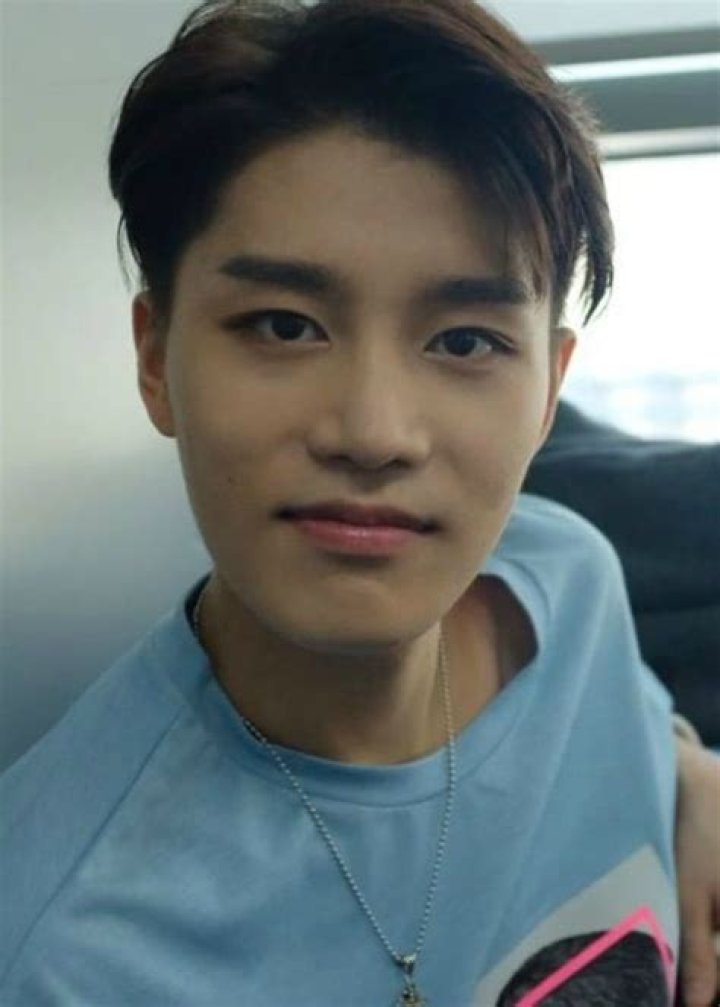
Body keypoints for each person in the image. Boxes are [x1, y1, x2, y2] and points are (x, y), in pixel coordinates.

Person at [0, 1, 718, 1005]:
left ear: (550, 390)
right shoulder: (61, 950)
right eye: (284, 325)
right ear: (156, 359)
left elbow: (617, 727)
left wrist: (689, 772)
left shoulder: (570, 575)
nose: (374, 431)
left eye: (464, 341)